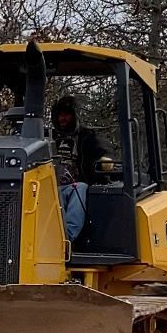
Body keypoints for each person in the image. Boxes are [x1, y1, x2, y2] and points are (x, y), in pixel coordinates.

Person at [50, 95, 111, 244]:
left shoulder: (86, 137)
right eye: (59, 115)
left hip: (73, 186)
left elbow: (100, 151)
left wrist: (104, 160)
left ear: (74, 116)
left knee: (80, 188)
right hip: (48, 186)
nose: (62, 119)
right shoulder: (48, 137)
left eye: (66, 115)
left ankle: (67, 237)